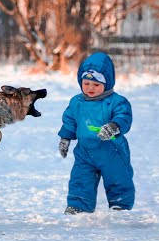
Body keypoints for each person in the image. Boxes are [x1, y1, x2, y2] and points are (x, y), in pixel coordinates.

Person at [58, 51, 135, 214]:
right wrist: (65, 138)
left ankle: (120, 205)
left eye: (96, 85)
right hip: (85, 152)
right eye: (86, 84)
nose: (90, 88)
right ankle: (78, 205)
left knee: (118, 178)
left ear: (107, 84)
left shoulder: (116, 101)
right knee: (80, 179)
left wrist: (114, 126)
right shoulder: (77, 102)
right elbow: (70, 121)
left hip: (112, 151)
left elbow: (124, 116)